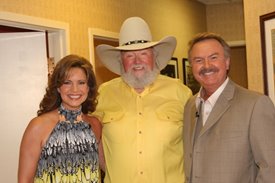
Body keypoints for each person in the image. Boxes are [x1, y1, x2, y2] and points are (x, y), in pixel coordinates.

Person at [93, 17, 192, 183]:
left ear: (154, 57)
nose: (137, 61)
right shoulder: (103, 93)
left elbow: (196, 147)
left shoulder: (181, 93)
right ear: (120, 61)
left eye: (143, 53)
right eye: (129, 55)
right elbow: (94, 138)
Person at [184, 32, 275, 183]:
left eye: (213, 58)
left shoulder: (255, 105)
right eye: (198, 60)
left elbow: (271, 168)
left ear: (226, 62)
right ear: (192, 66)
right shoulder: (190, 106)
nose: (206, 66)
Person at [18, 54, 105, 183]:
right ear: (58, 87)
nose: (75, 90)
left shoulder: (95, 124)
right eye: (67, 82)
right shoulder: (38, 126)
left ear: (88, 87)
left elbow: (108, 169)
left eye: (81, 83)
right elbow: (24, 181)